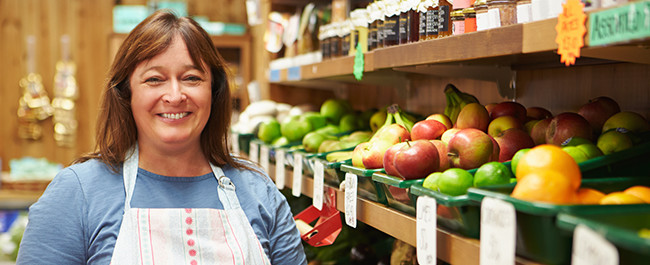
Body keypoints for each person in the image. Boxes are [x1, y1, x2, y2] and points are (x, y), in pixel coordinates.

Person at [17, 10, 307, 265]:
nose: (175, 96)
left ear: (214, 92)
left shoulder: (258, 192)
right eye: (154, 79)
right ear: (126, 93)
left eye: (191, 78)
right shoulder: (76, 194)